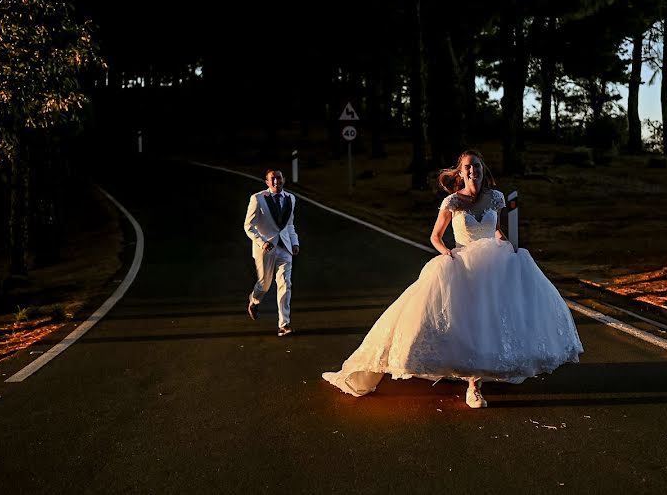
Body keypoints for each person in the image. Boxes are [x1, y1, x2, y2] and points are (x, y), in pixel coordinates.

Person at [322, 150, 583, 408]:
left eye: (477, 166)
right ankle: (472, 385)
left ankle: (479, 379)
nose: (473, 170)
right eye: (468, 167)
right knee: (462, 323)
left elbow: (497, 230)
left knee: (492, 321)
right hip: (464, 265)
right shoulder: (452, 203)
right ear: (460, 172)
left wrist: (507, 245)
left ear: (483, 170)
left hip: (494, 265)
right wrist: (446, 253)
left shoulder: (496, 198)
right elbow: (436, 236)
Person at [244, 169, 300, 337]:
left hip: (285, 248)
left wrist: (295, 242)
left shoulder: (291, 198)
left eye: (279, 178)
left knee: (285, 283)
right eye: (272, 179)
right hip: (265, 249)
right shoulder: (258, 199)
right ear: (267, 182)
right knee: (264, 285)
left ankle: (284, 324)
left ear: (284, 179)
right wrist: (262, 242)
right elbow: (249, 226)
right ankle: (254, 300)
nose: (276, 181)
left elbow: (289, 224)